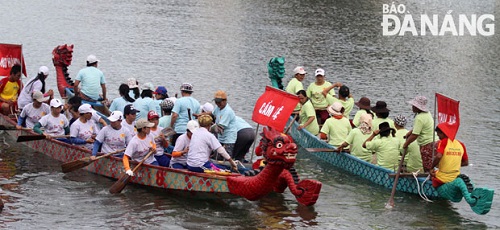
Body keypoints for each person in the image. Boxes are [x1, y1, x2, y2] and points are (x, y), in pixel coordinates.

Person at [431, 123, 469, 188]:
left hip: (443, 179)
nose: (439, 138)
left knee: (432, 175)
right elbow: (466, 163)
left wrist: (431, 168)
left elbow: (438, 156)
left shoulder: (443, 142)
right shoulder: (461, 144)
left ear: (443, 133)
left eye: (439, 135)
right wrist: (452, 165)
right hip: (456, 177)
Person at [403, 96, 435, 172]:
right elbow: (419, 128)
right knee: (430, 164)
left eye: (414, 106)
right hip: (433, 141)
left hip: (426, 143)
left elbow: (415, 135)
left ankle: (429, 180)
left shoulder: (419, 117)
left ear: (418, 107)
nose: (412, 107)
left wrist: (406, 144)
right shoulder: (427, 114)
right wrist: (409, 133)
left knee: (427, 166)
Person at [211, 90, 237, 157]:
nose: (217, 104)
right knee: (217, 156)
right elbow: (212, 113)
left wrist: (206, 129)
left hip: (228, 138)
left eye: (219, 102)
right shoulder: (218, 107)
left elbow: (219, 127)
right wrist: (201, 115)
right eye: (216, 102)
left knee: (226, 157)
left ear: (225, 101)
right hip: (221, 137)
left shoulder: (227, 111)